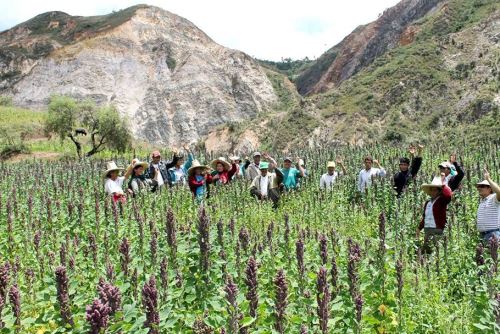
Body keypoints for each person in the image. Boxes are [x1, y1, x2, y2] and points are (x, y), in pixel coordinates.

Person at [417, 174, 452, 253]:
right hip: (427, 230)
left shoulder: (441, 201)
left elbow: (448, 195)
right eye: (431, 190)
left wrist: (443, 185)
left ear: (440, 191)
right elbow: (425, 217)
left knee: (436, 252)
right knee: (427, 252)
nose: (433, 192)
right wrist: (419, 228)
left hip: (437, 230)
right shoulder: (428, 203)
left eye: (435, 190)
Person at [476, 168, 500, 243]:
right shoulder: (482, 202)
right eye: (478, 186)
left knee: (493, 254)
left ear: (490, 188)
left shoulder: (493, 199)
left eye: (482, 186)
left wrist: (488, 179)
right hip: (482, 235)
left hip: (492, 234)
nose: (479, 188)